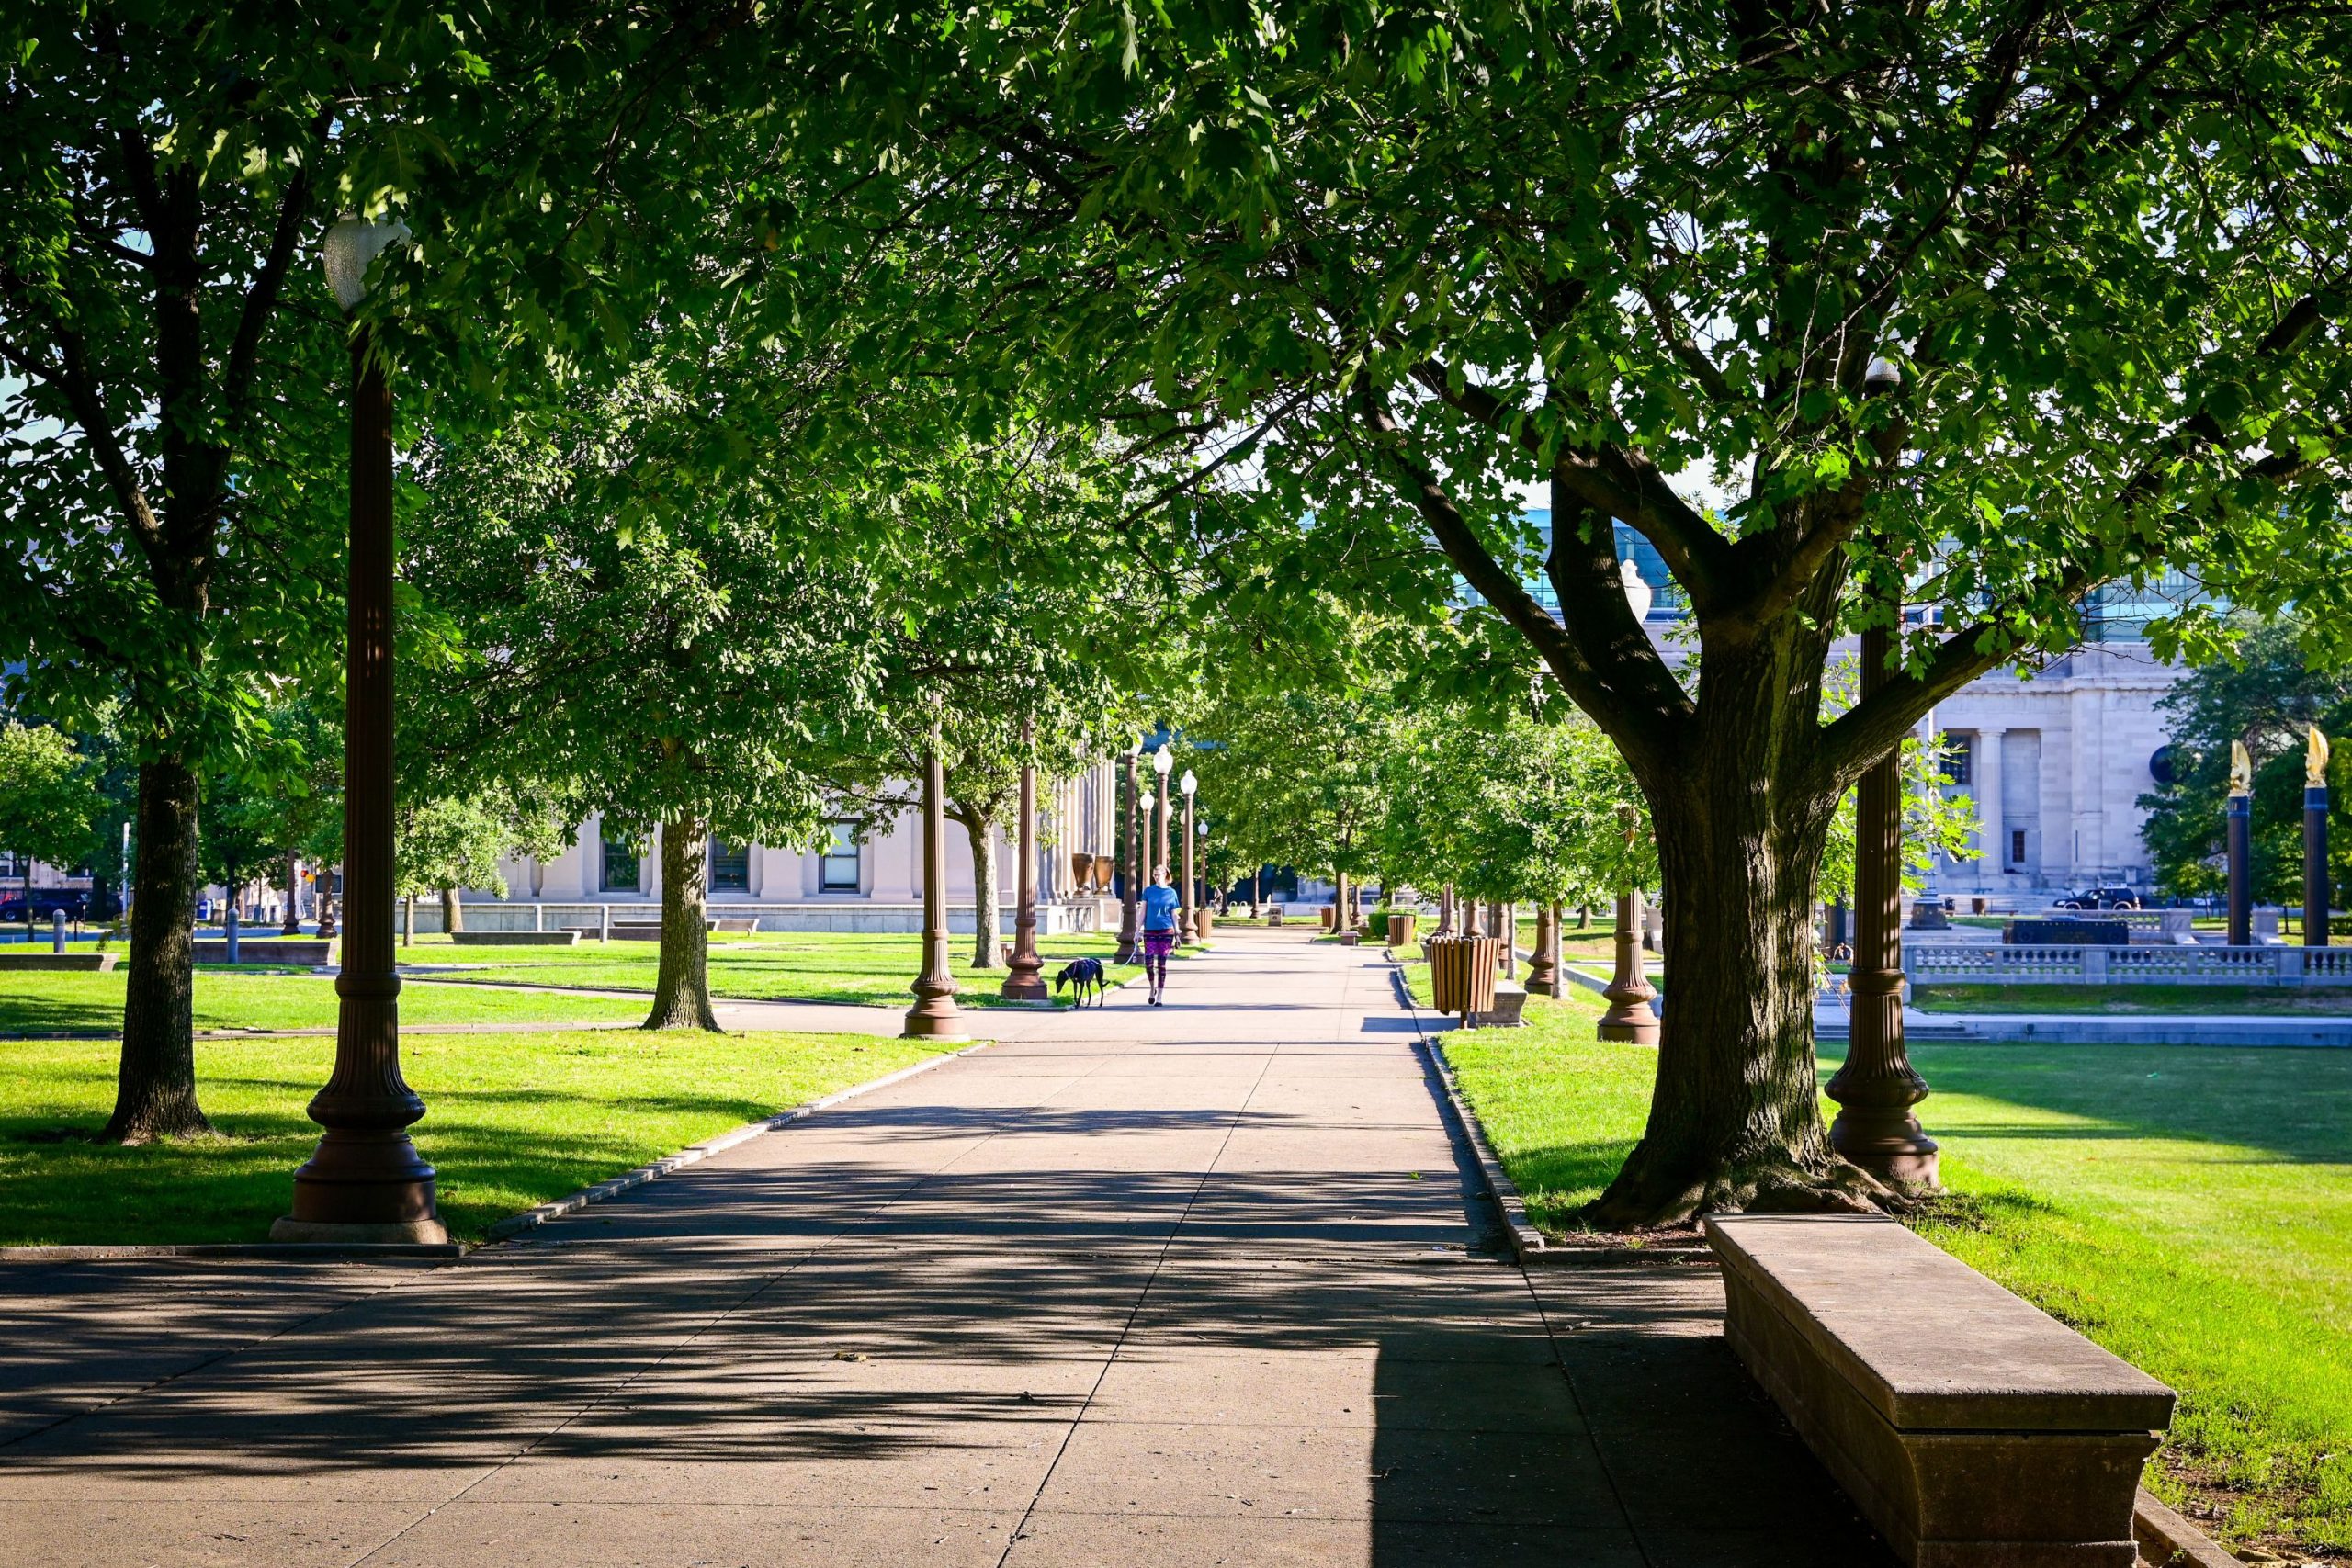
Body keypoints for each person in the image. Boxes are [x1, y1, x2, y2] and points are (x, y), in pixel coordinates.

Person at [1139, 863, 1182, 1005]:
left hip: (1166, 930)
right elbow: (1142, 911)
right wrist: (1137, 930)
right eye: (1154, 875)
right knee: (1149, 962)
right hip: (1150, 929)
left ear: (1165, 875)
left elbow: (1174, 914)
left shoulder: (1172, 893)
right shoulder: (1148, 891)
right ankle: (1152, 988)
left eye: (1159, 875)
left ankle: (1160, 997)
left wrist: (1177, 933)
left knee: (1162, 963)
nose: (1156, 877)